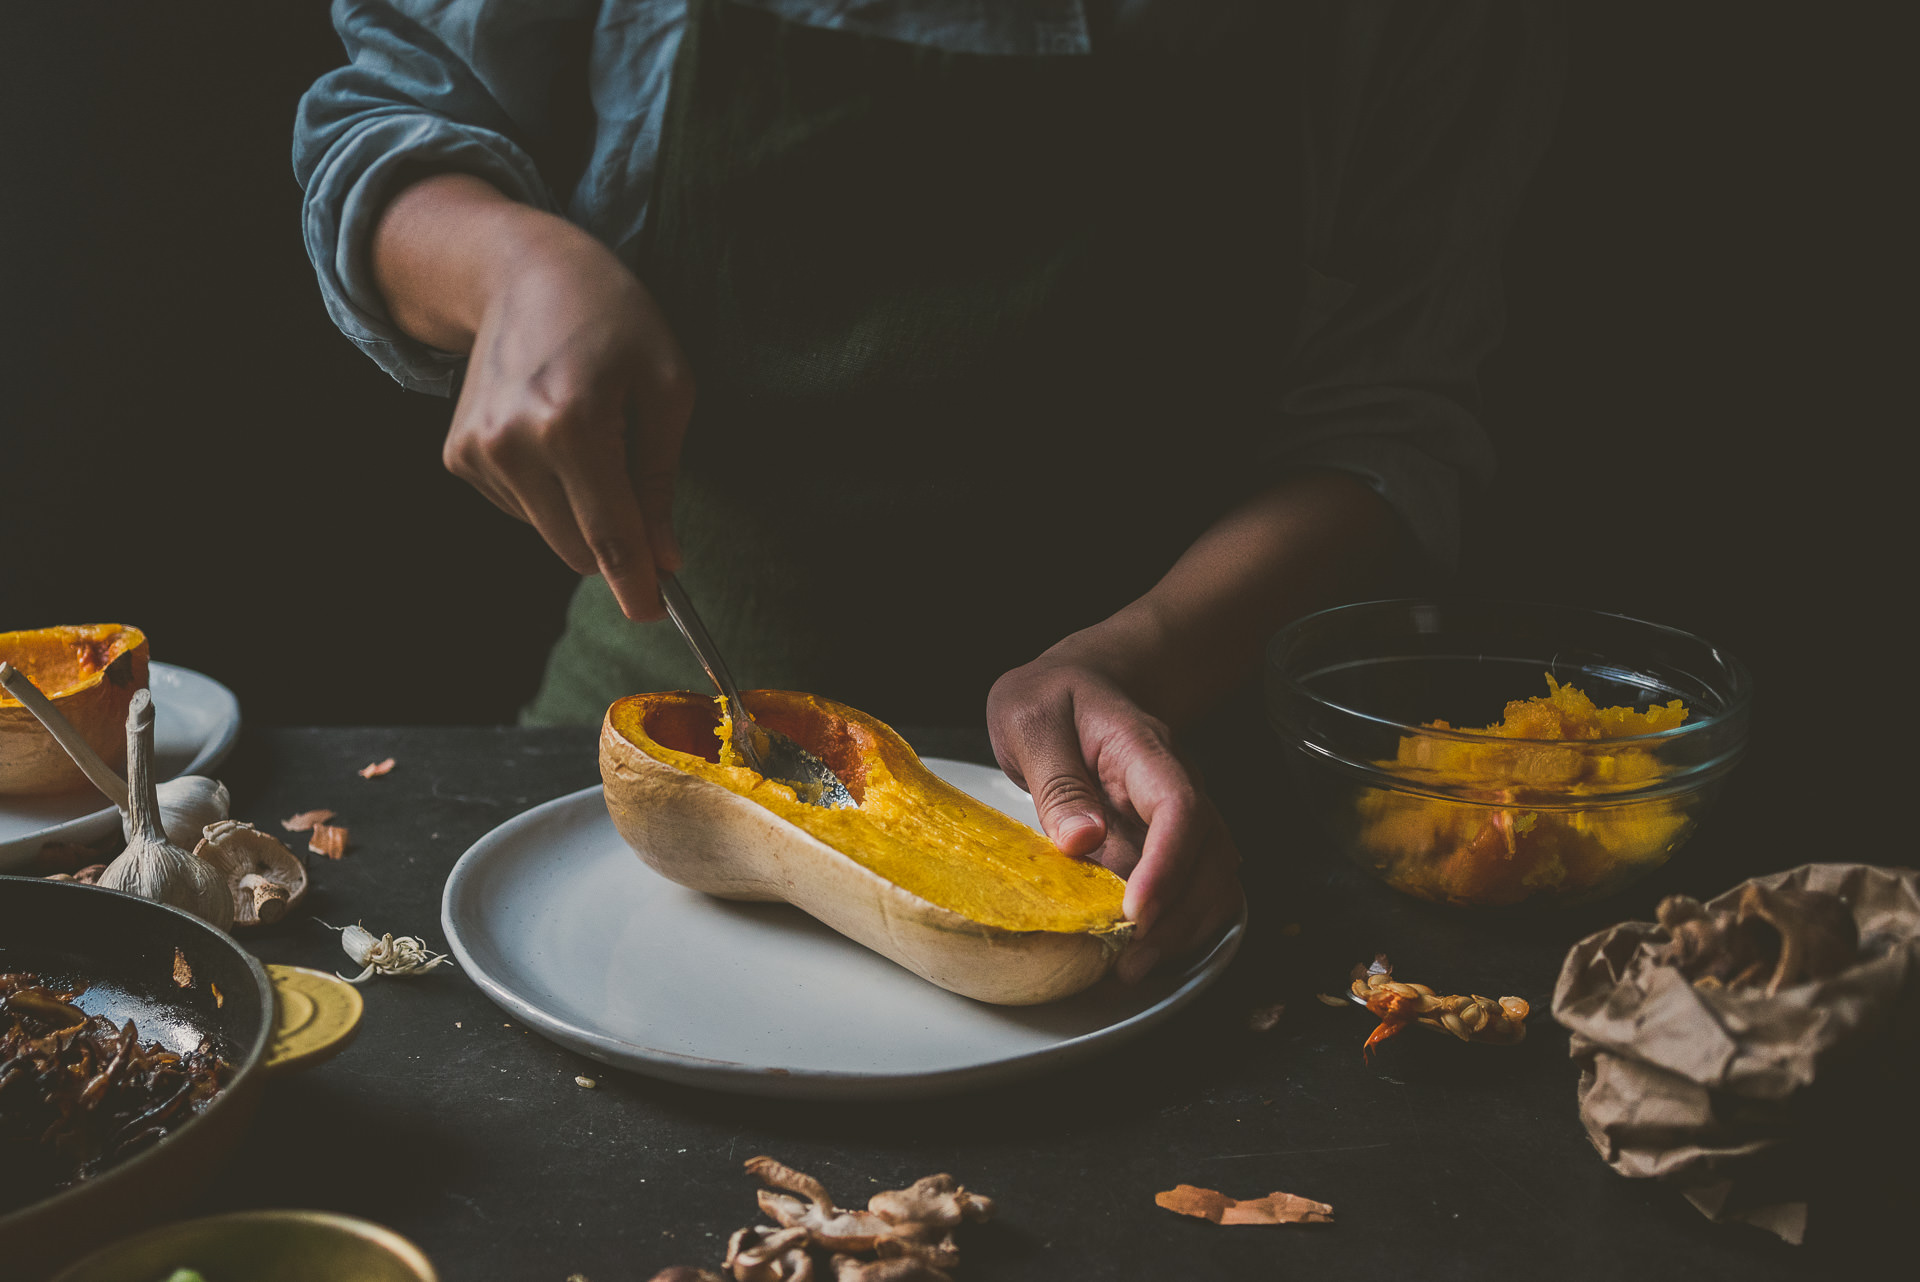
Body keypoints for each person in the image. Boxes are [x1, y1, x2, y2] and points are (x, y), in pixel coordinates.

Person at [294, 0, 1564, 982]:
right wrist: (509, 264)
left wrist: (1151, 652)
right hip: (648, 725)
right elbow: (394, 116)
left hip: (1160, 798)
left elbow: (1392, 416)